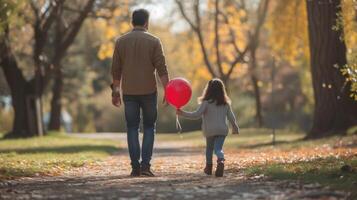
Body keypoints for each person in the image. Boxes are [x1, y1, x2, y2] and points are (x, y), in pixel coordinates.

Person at [111, 9, 169, 177]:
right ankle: (145, 166)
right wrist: (168, 90)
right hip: (149, 92)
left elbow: (116, 71)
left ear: (132, 22)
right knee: (149, 127)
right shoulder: (154, 41)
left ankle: (135, 167)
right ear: (146, 22)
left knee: (132, 128)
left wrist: (115, 93)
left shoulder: (120, 42)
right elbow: (162, 69)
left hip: (129, 92)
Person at [177, 78, 239, 177]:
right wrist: (235, 126)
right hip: (222, 130)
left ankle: (209, 168)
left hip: (210, 130)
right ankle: (221, 160)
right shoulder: (225, 103)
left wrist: (182, 113)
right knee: (218, 149)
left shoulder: (206, 102)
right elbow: (231, 117)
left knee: (209, 149)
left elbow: (196, 115)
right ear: (222, 90)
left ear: (208, 89)